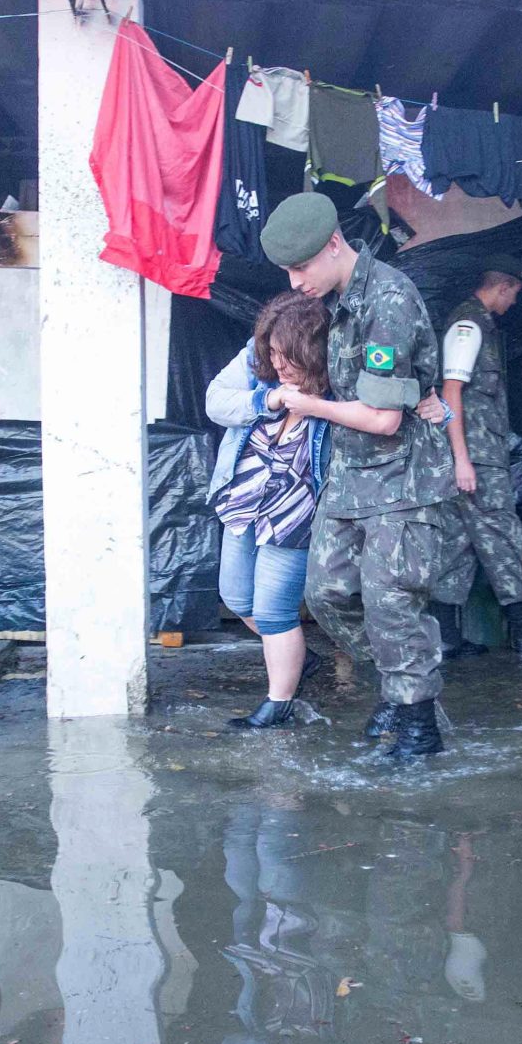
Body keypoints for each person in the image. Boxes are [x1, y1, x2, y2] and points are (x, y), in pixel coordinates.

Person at [263, 192, 459, 759]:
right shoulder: (333, 300)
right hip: (350, 474)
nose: (295, 281)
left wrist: (308, 405)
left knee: (390, 598)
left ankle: (418, 726)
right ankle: (402, 688)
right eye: (288, 270)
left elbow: (382, 418)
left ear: (333, 245)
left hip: (402, 479)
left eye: (302, 266)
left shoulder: (388, 299)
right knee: (325, 592)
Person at [204, 292, 333, 730]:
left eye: (288, 355)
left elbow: (385, 409)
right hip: (243, 503)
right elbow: (215, 400)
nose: (277, 363)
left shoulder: (338, 381)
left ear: (312, 352)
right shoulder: (257, 361)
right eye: (273, 352)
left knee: (275, 611)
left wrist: (436, 406)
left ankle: (279, 703)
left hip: (295, 516)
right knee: (237, 597)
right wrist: (267, 400)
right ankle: (297, 657)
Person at [436, 254, 522, 654]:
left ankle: (445, 639)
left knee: (458, 543)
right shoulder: (469, 326)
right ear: (502, 287)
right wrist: (461, 458)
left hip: (479, 453)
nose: (514, 302)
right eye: (514, 293)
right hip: (475, 457)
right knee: (502, 535)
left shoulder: (481, 324)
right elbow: (451, 392)